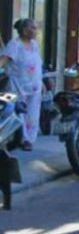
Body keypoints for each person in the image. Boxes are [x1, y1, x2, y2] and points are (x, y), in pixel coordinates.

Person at [0, 19, 43, 151]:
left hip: (35, 86)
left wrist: (42, 82)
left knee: (33, 114)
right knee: (20, 113)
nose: (36, 31)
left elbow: (37, 64)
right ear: (24, 30)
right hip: (18, 86)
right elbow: (3, 60)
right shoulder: (15, 44)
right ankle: (23, 139)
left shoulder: (35, 45)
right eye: (33, 28)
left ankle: (30, 139)